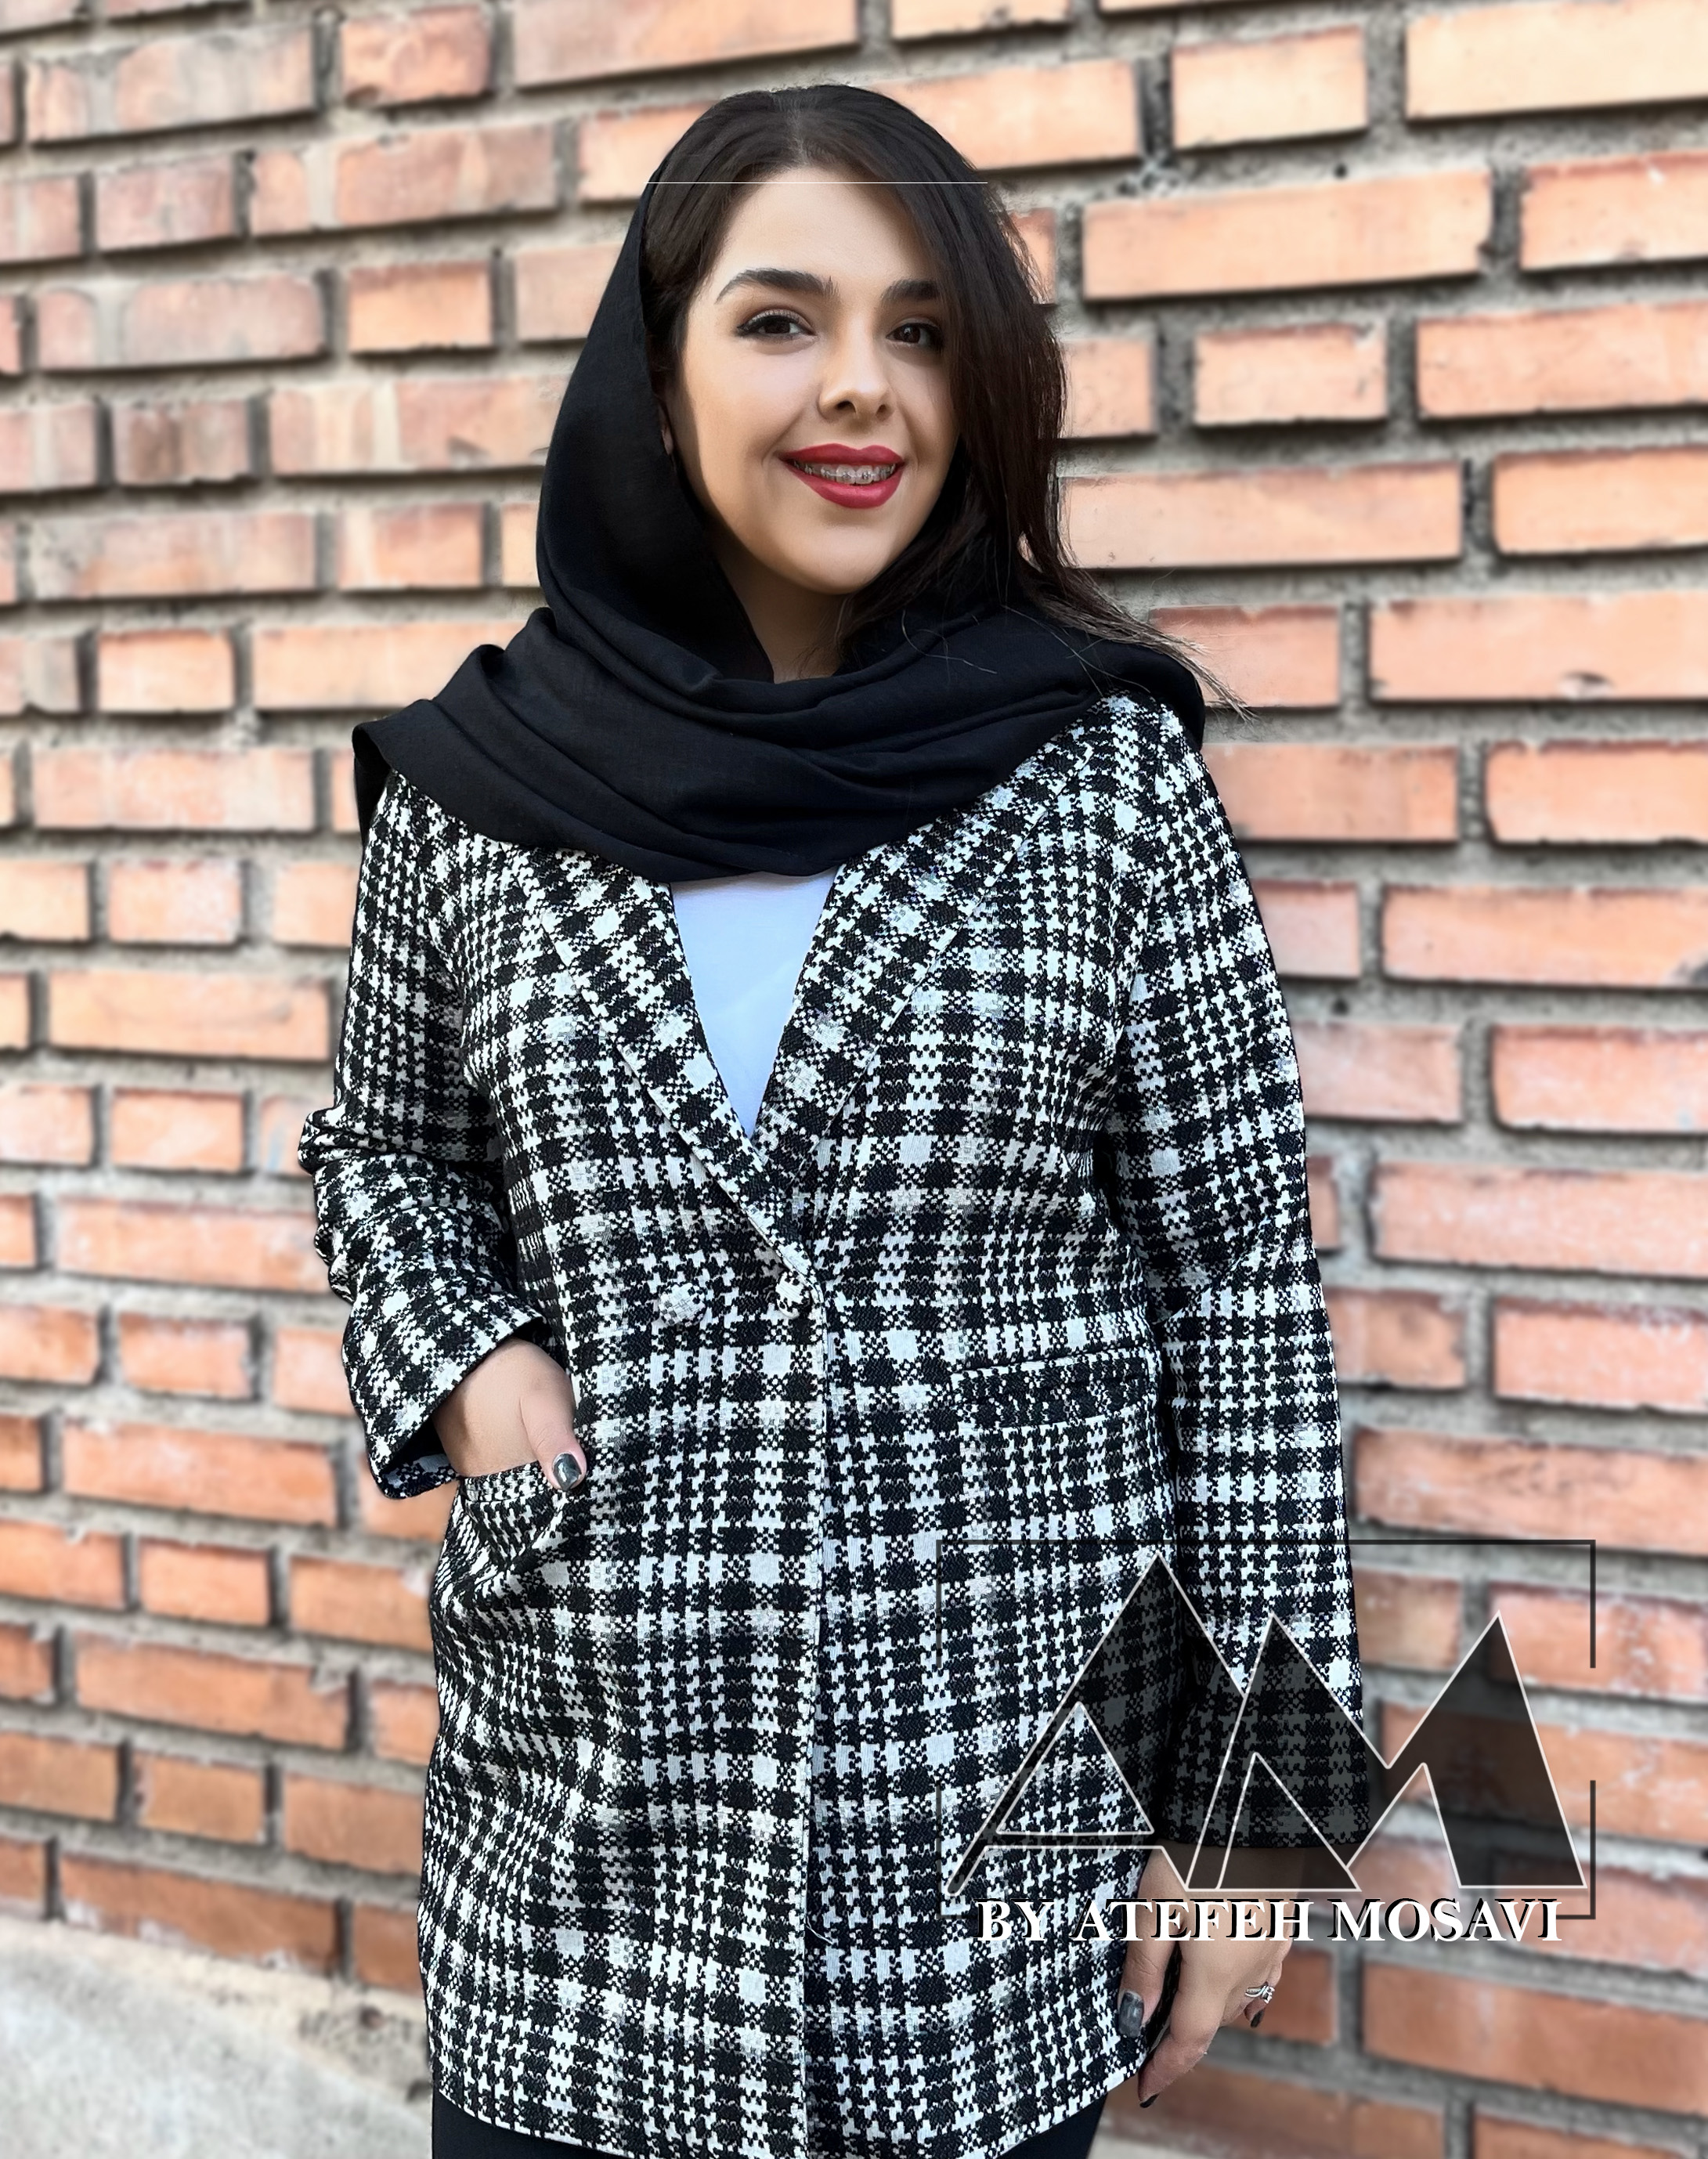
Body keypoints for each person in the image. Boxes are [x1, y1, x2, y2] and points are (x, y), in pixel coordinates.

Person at [298, 82, 1361, 2159]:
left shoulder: (1103, 776)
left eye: (921, 331)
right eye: (781, 319)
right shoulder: (473, 789)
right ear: (658, 372)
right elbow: (382, 1149)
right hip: (580, 1859)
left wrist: (1259, 1813)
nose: (861, 385)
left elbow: (1244, 1283)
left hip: (985, 1875)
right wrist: (472, 1364)